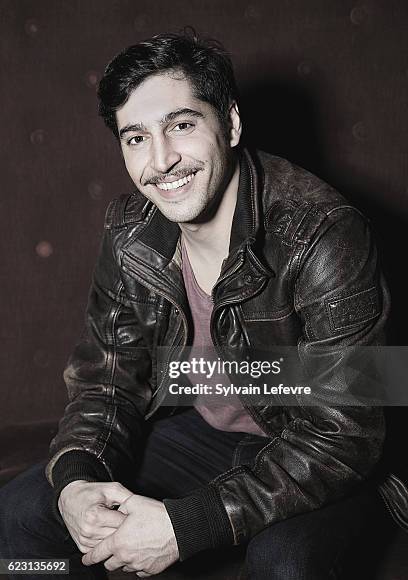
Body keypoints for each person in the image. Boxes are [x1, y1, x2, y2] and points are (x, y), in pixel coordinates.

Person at [0, 30, 402, 580]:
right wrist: (77, 479)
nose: (160, 162)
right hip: (209, 433)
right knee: (22, 518)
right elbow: (106, 381)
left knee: (286, 564)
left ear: (231, 124)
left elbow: (347, 433)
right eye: (135, 138)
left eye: (182, 126)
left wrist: (187, 526)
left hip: (319, 450)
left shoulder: (325, 233)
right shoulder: (131, 231)